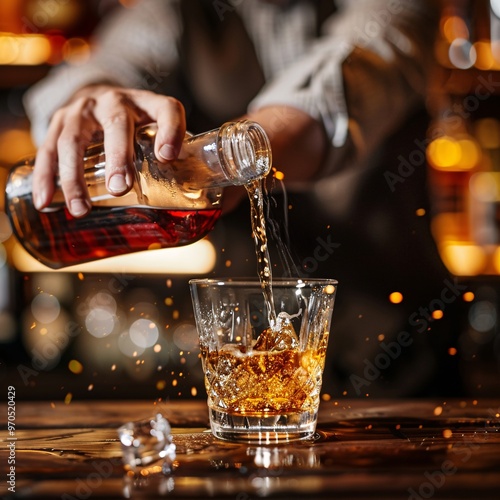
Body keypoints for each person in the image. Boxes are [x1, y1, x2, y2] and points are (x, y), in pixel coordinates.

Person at [23, 0, 464, 397]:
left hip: (404, 354)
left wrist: (229, 159)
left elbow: (359, 64)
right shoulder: (177, 10)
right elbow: (109, 61)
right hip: (241, 361)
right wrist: (91, 97)